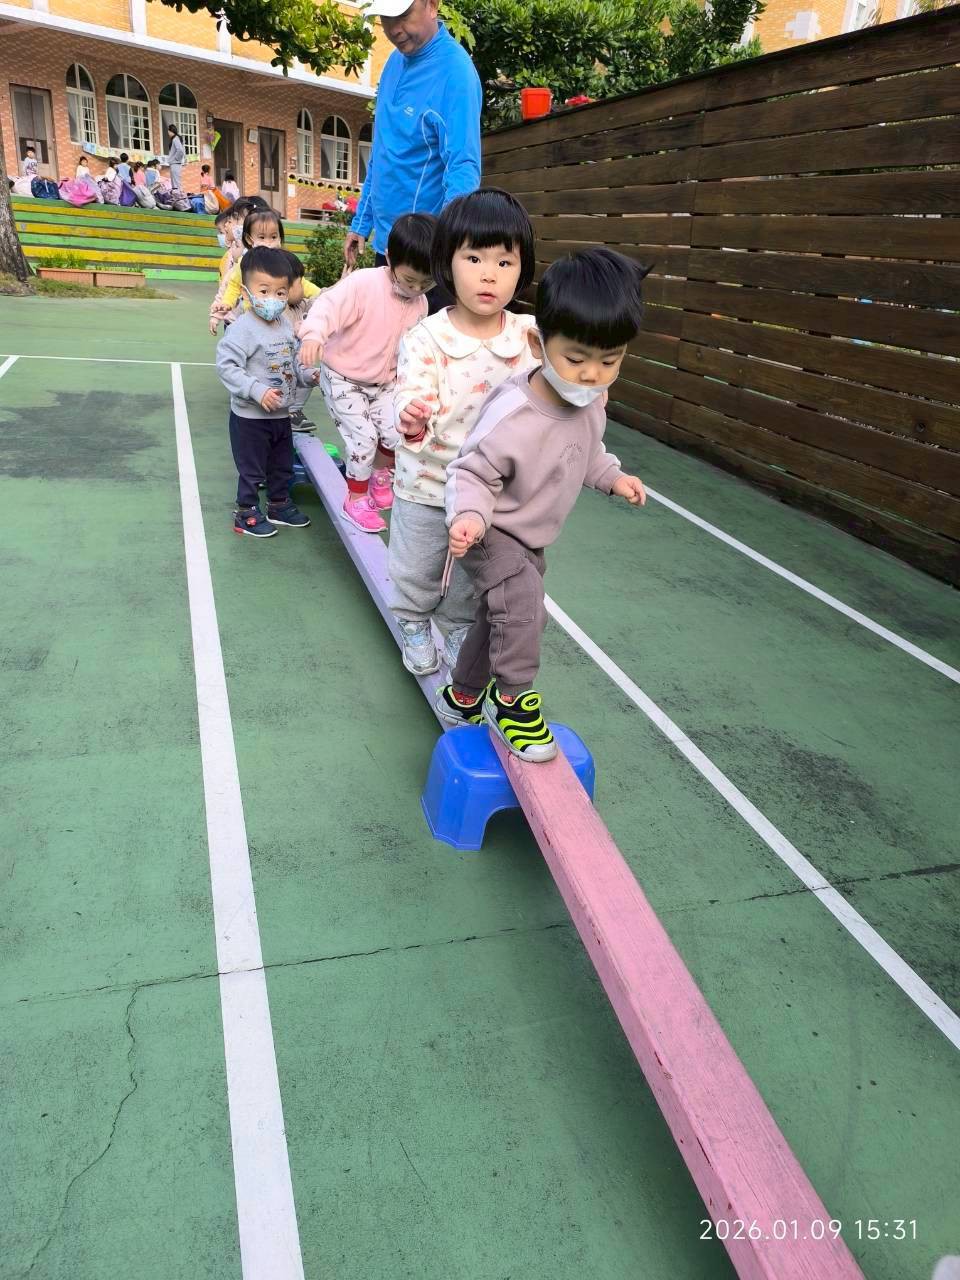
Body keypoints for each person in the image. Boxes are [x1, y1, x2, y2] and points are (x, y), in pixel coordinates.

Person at [437, 248, 649, 761]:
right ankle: (511, 702)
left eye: (610, 361)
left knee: (497, 616)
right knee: (525, 607)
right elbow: (471, 471)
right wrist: (469, 516)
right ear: (538, 343)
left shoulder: (590, 402)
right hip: (491, 529)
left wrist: (613, 477)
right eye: (576, 359)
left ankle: (464, 693)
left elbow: (586, 452)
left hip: (532, 537)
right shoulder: (515, 413)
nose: (592, 374)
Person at [388, 187, 536, 677]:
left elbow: (555, 386)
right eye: (474, 258)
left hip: (490, 490)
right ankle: (412, 621)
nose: (489, 274)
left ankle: (456, 628)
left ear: (522, 269)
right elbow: (408, 391)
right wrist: (411, 415)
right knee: (417, 563)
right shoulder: (427, 337)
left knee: (473, 575)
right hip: (428, 479)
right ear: (447, 262)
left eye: (505, 262)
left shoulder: (529, 337)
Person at [299, 212, 436, 532]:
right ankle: (355, 499)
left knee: (397, 433)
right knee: (363, 440)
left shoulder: (421, 302)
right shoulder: (364, 284)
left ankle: (378, 474)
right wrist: (313, 335)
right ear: (389, 258)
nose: (416, 288)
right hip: (343, 378)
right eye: (409, 280)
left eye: (426, 282)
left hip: (385, 383)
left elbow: (415, 346)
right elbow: (327, 306)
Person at [345, 0, 481, 314]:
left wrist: (444, 245)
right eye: (386, 18)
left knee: (421, 346)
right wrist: (361, 223)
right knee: (379, 341)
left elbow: (463, 167)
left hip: (425, 261)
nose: (394, 29)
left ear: (432, 5)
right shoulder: (393, 63)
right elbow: (382, 153)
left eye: (403, 15)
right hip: (388, 249)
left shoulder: (456, 74)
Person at [215, 246, 319, 537]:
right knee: (252, 469)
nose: (272, 299)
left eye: (280, 293)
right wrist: (257, 390)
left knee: (281, 465)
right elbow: (227, 367)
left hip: (281, 415)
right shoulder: (242, 329)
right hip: (250, 418)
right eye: (264, 291)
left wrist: (309, 375)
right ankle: (246, 512)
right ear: (246, 293)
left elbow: (293, 363)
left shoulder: (285, 325)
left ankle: (278, 504)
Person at [209, 206, 284, 335]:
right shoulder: (245, 263)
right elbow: (232, 286)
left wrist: (317, 294)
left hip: (275, 324)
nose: (268, 243)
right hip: (245, 322)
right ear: (250, 240)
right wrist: (225, 305)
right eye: (262, 237)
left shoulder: (284, 262)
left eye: (273, 237)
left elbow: (299, 283)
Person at [166, 124, 186, 190]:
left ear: (171, 131)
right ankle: (177, 195)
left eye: (168, 131)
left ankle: (179, 195)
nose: (168, 133)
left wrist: (175, 159)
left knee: (176, 184)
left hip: (175, 164)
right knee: (175, 183)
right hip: (175, 164)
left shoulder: (175, 139)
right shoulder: (176, 138)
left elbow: (180, 150)